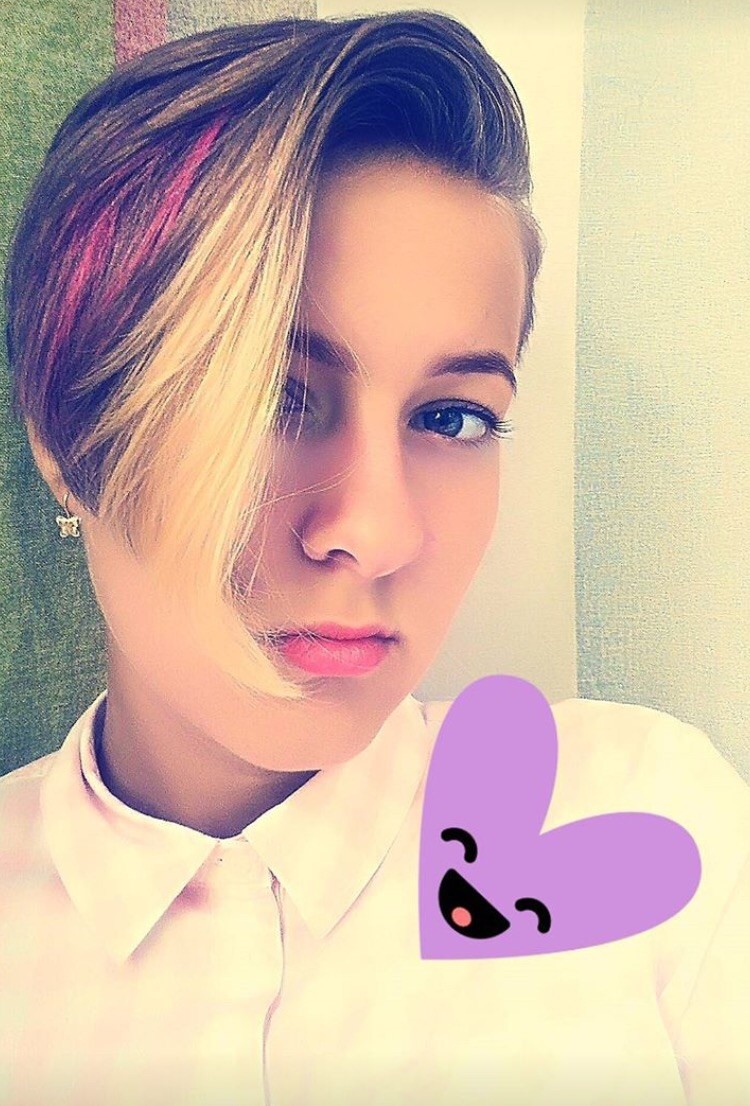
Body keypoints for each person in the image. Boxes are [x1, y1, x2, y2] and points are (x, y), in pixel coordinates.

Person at [1, 11, 748, 1106]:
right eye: (273, 397)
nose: (377, 529)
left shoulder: (650, 825)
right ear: (66, 441)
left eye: (451, 418)